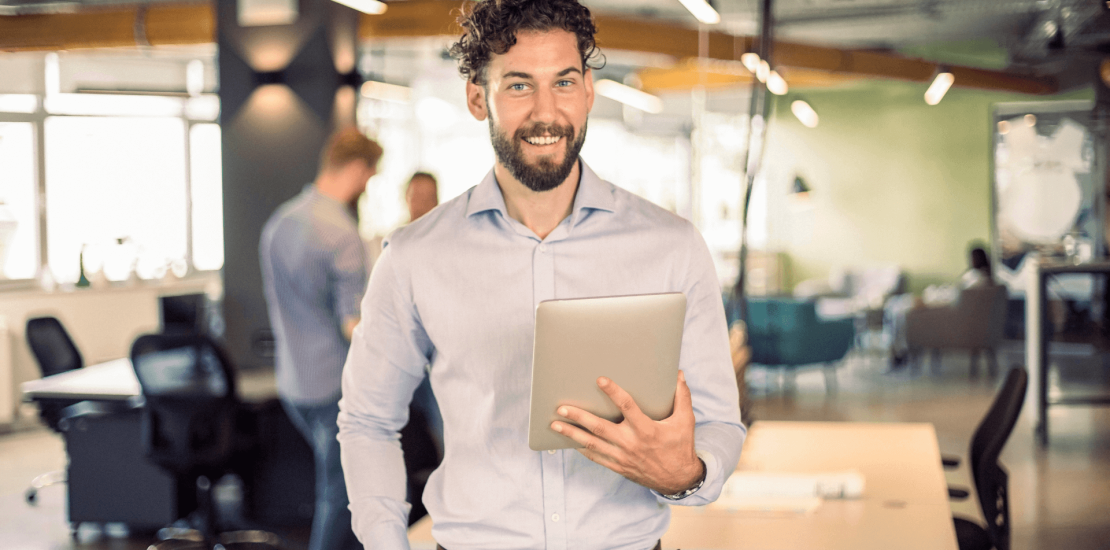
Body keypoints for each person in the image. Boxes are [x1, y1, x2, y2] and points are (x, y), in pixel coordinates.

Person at [337, 1, 744, 548]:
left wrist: (685, 478)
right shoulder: (414, 256)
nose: (546, 112)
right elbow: (368, 420)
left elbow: (720, 423)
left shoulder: (672, 247)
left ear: (589, 91)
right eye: (519, 85)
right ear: (478, 98)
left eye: (565, 82)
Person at [260, 127, 381, 550]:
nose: (367, 185)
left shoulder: (279, 223)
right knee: (340, 496)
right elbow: (353, 325)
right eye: (369, 175)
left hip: (293, 383)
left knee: (335, 489)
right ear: (357, 169)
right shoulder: (342, 232)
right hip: (332, 385)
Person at [887, 244, 994, 367]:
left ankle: (900, 350)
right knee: (899, 306)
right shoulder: (983, 279)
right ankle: (898, 350)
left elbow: (956, 299)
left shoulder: (976, 278)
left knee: (900, 308)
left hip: (945, 308)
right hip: (947, 306)